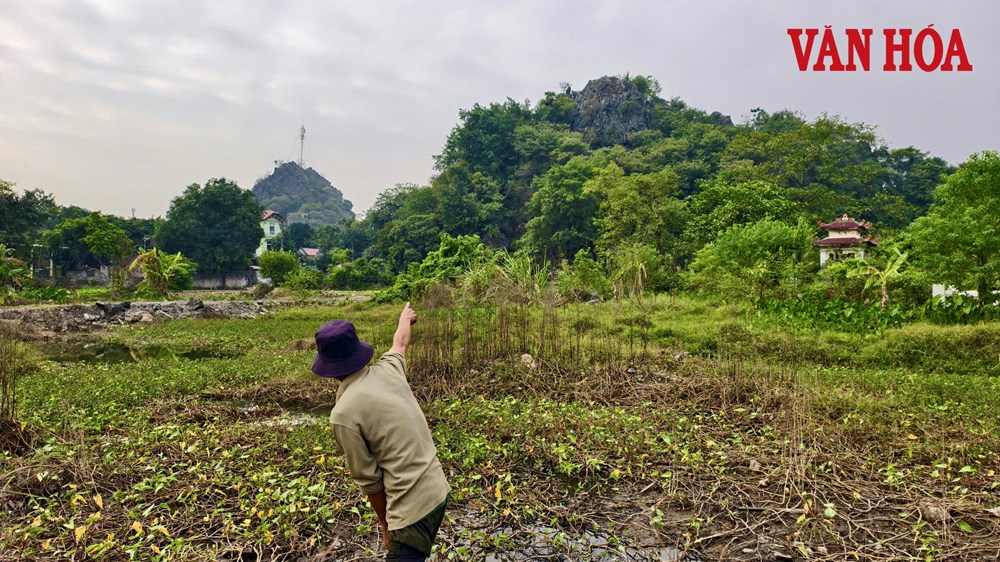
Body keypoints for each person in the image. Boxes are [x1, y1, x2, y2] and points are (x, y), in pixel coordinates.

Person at [312, 302, 449, 561]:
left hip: (411, 510)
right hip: (438, 491)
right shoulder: (389, 369)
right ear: (357, 350)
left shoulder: (343, 414)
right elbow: (401, 343)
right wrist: (404, 318)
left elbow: (370, 483)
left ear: (328, 368)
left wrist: (387, 526)